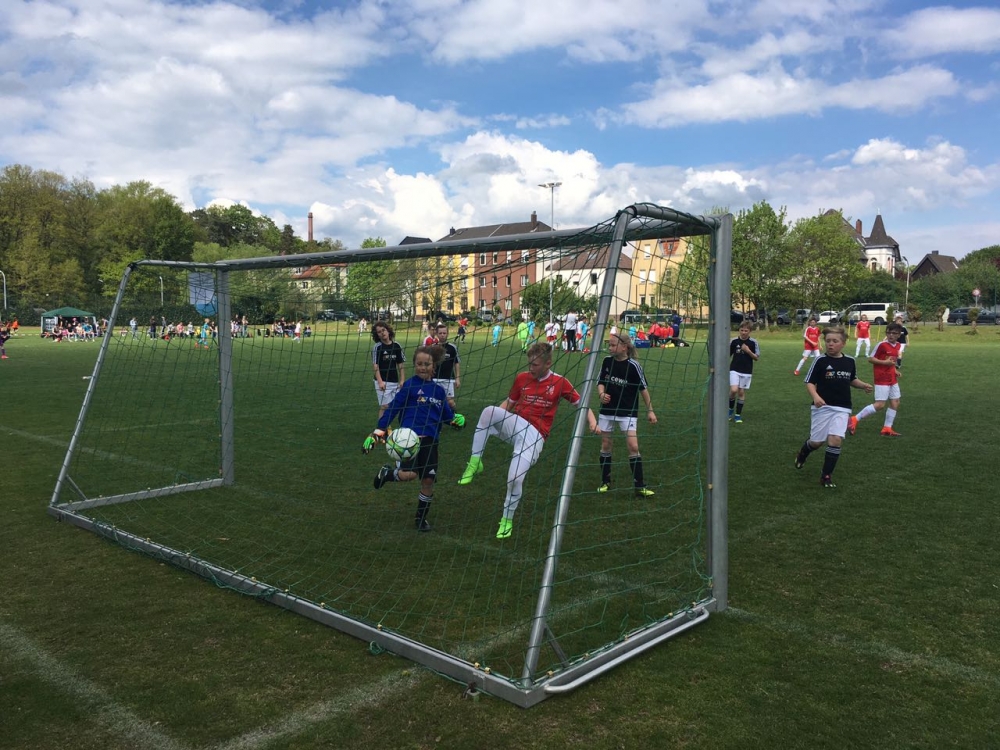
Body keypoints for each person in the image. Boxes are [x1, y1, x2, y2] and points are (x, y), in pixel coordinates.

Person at [457, 342, 598, 539]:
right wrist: (495, 419)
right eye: (529, 364)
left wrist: (593, 422)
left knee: (515, 478)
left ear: (548, 363)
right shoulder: (521, 378)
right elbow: (509, 403)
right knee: (488, 411)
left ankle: (506, 520)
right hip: (516, 424)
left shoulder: (560, 382)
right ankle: (474, 462)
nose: (531, 368)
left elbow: (581, 404)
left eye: (535, 365)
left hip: (535, 436)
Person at [363, 344, 465, 532]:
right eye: (419, 364)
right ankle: (388, 474)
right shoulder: (409, 386)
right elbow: (392, 409)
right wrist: (377, 432)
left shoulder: (439, 391)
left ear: (433, 366)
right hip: (409, 441)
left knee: (428, 480)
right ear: (414, 365)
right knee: (408, 475)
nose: (423, 367)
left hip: (431, 442)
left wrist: (457, 421)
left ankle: (421, 518)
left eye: (427, 364)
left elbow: (446, 416)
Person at [795, 326, 873, 488]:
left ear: (843, 343)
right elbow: (810, 382)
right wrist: (816, 397)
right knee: (816, 442)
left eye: (835, 341)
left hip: (842, 407)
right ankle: (803, 452)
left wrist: (863, 385)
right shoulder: (820, 360)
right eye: (828, 341)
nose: (830, 344)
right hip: (822, 407)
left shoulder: (850, 361)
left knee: (835, 439)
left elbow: (851, 379)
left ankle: (826, 476)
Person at [597, 332, 656, 495]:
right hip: (607, 410)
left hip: (627, 411)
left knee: (633, 446)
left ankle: (640, 486)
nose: (610, 348)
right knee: (606, 444)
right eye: (609, 345)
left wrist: (650, 411)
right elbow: (600, 382)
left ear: (624, 347)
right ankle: (605, 482)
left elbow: (643, 389)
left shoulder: (634, 366)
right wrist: (601, 394)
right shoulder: (607, 361)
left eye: (613, 345)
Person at [849, 322, 903, 437]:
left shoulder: (898, 345)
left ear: (899, 335)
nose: (891, 335)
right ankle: (854, 419)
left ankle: (887, 428)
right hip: (882, 378)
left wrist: (894, 370)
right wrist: (885, 363)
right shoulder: (882, 345)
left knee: (895, 402)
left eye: (894, 333)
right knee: (880, 405)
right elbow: (871, 359)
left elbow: (891, 361)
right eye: (889, 332)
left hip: (892, 378)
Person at [371, 321, 406, 420]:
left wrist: (402, 380)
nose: (382, 333)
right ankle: (381, 427)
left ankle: (390, 425)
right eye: (379, 332)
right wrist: (380, 382)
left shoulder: (396, 346)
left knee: (396, 405)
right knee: (384, 406)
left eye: (383, 330)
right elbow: (375, 366)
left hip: (394, 381)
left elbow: (400, 364)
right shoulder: (377, 347)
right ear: (377, 335)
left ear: (388, 330)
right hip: (382, 381)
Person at [728, 321, 760, 423]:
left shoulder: (753, 342)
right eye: (742, 330)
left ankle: (737, 415)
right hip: (734, 369)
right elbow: (727, 354)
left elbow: (756, 358)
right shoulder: (734, 341)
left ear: (750, 331)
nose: (743, 332)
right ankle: (730, 410)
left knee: (741, 392)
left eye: (746, 331)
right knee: (734, 390)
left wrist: (748, 351)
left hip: (746, 371)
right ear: (739, 330)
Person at [433, 323, 461, 410]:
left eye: (444, 333)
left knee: (450, 402)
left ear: (447, 334)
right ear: (437, 334)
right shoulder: (433, 347)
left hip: (448, 379)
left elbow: (456, 363)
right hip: (434, 378)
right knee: (434, 401)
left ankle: (453, 415)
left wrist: (457, 378)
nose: (442, 335)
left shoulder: (452, 347)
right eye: (440, 333)